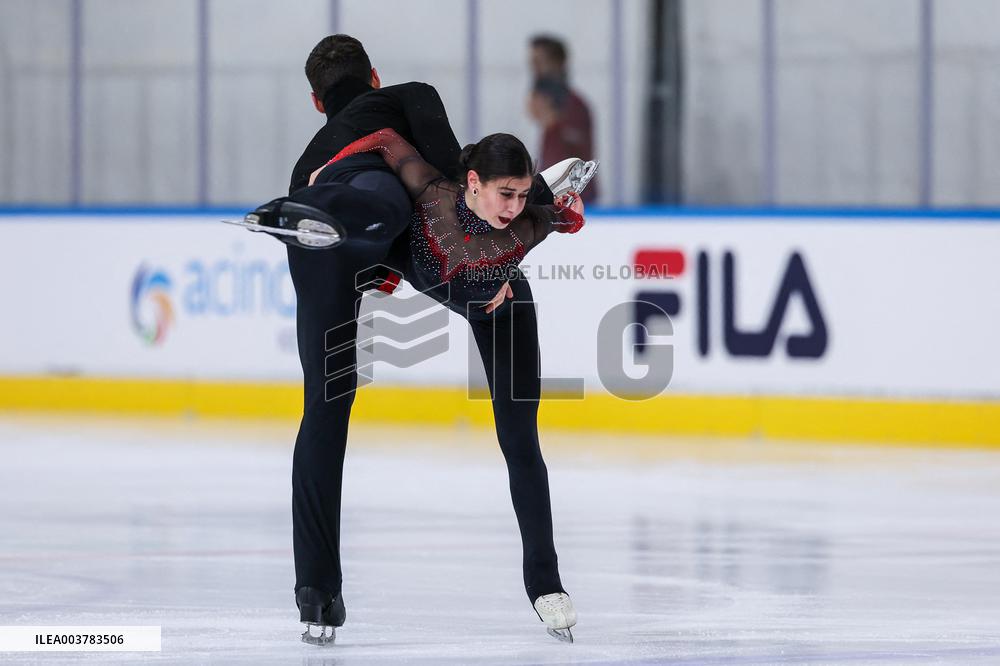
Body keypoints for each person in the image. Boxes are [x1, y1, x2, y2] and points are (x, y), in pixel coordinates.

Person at [236, 34, 596, 646]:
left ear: (316, 102)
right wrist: (546, 202)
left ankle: (317, 594)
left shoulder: (312, 154)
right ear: (374, 77)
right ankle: (545, 584)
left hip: (322, 218)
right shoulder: (412, 101)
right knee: (388, 200)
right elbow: (458, 169)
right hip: (400, 229)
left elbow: (491, 187)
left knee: (324, 410)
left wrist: (545, 203)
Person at [528, 35, 598, 204]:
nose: (535, 69)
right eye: (532, 63)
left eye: (539, 62)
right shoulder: (546, 106)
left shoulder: (575, 107)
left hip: (574, 199)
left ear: (557, 64)